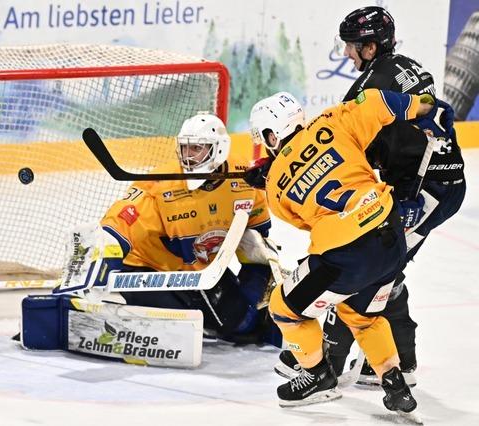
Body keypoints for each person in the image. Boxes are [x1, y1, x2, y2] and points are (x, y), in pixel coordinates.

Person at [275, 5, 466, 386]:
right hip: (435, 182)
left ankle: (337, 359)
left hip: (424, 192)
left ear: (371, 45)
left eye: (352, 46)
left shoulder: (371, 85)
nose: (347, 53)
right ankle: (395, 357)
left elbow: (354, 140)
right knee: (381, 264)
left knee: (371, 266)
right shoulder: (407, 66)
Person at [244, 89, 437, 411]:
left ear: (270, 134)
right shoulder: (333, 121)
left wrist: (272, 176)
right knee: (361, 315)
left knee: (283, 308)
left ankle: (317, 376)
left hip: (345, 254)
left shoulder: (276, 186)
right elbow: (378, 101)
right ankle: (396, 386)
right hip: (390, 235)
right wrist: (422, 106)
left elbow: (304, 221)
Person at [92, 112, 282, 345]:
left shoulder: (243, 180)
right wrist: (102, 254)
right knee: (188, 324)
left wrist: (254, 291)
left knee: (243, 323)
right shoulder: (162, 184)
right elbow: (123, 218)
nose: (187, 156)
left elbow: (256, 240)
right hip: (149, 270)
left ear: (218, 149)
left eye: (196, 149)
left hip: (199, 272)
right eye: (185, 148)